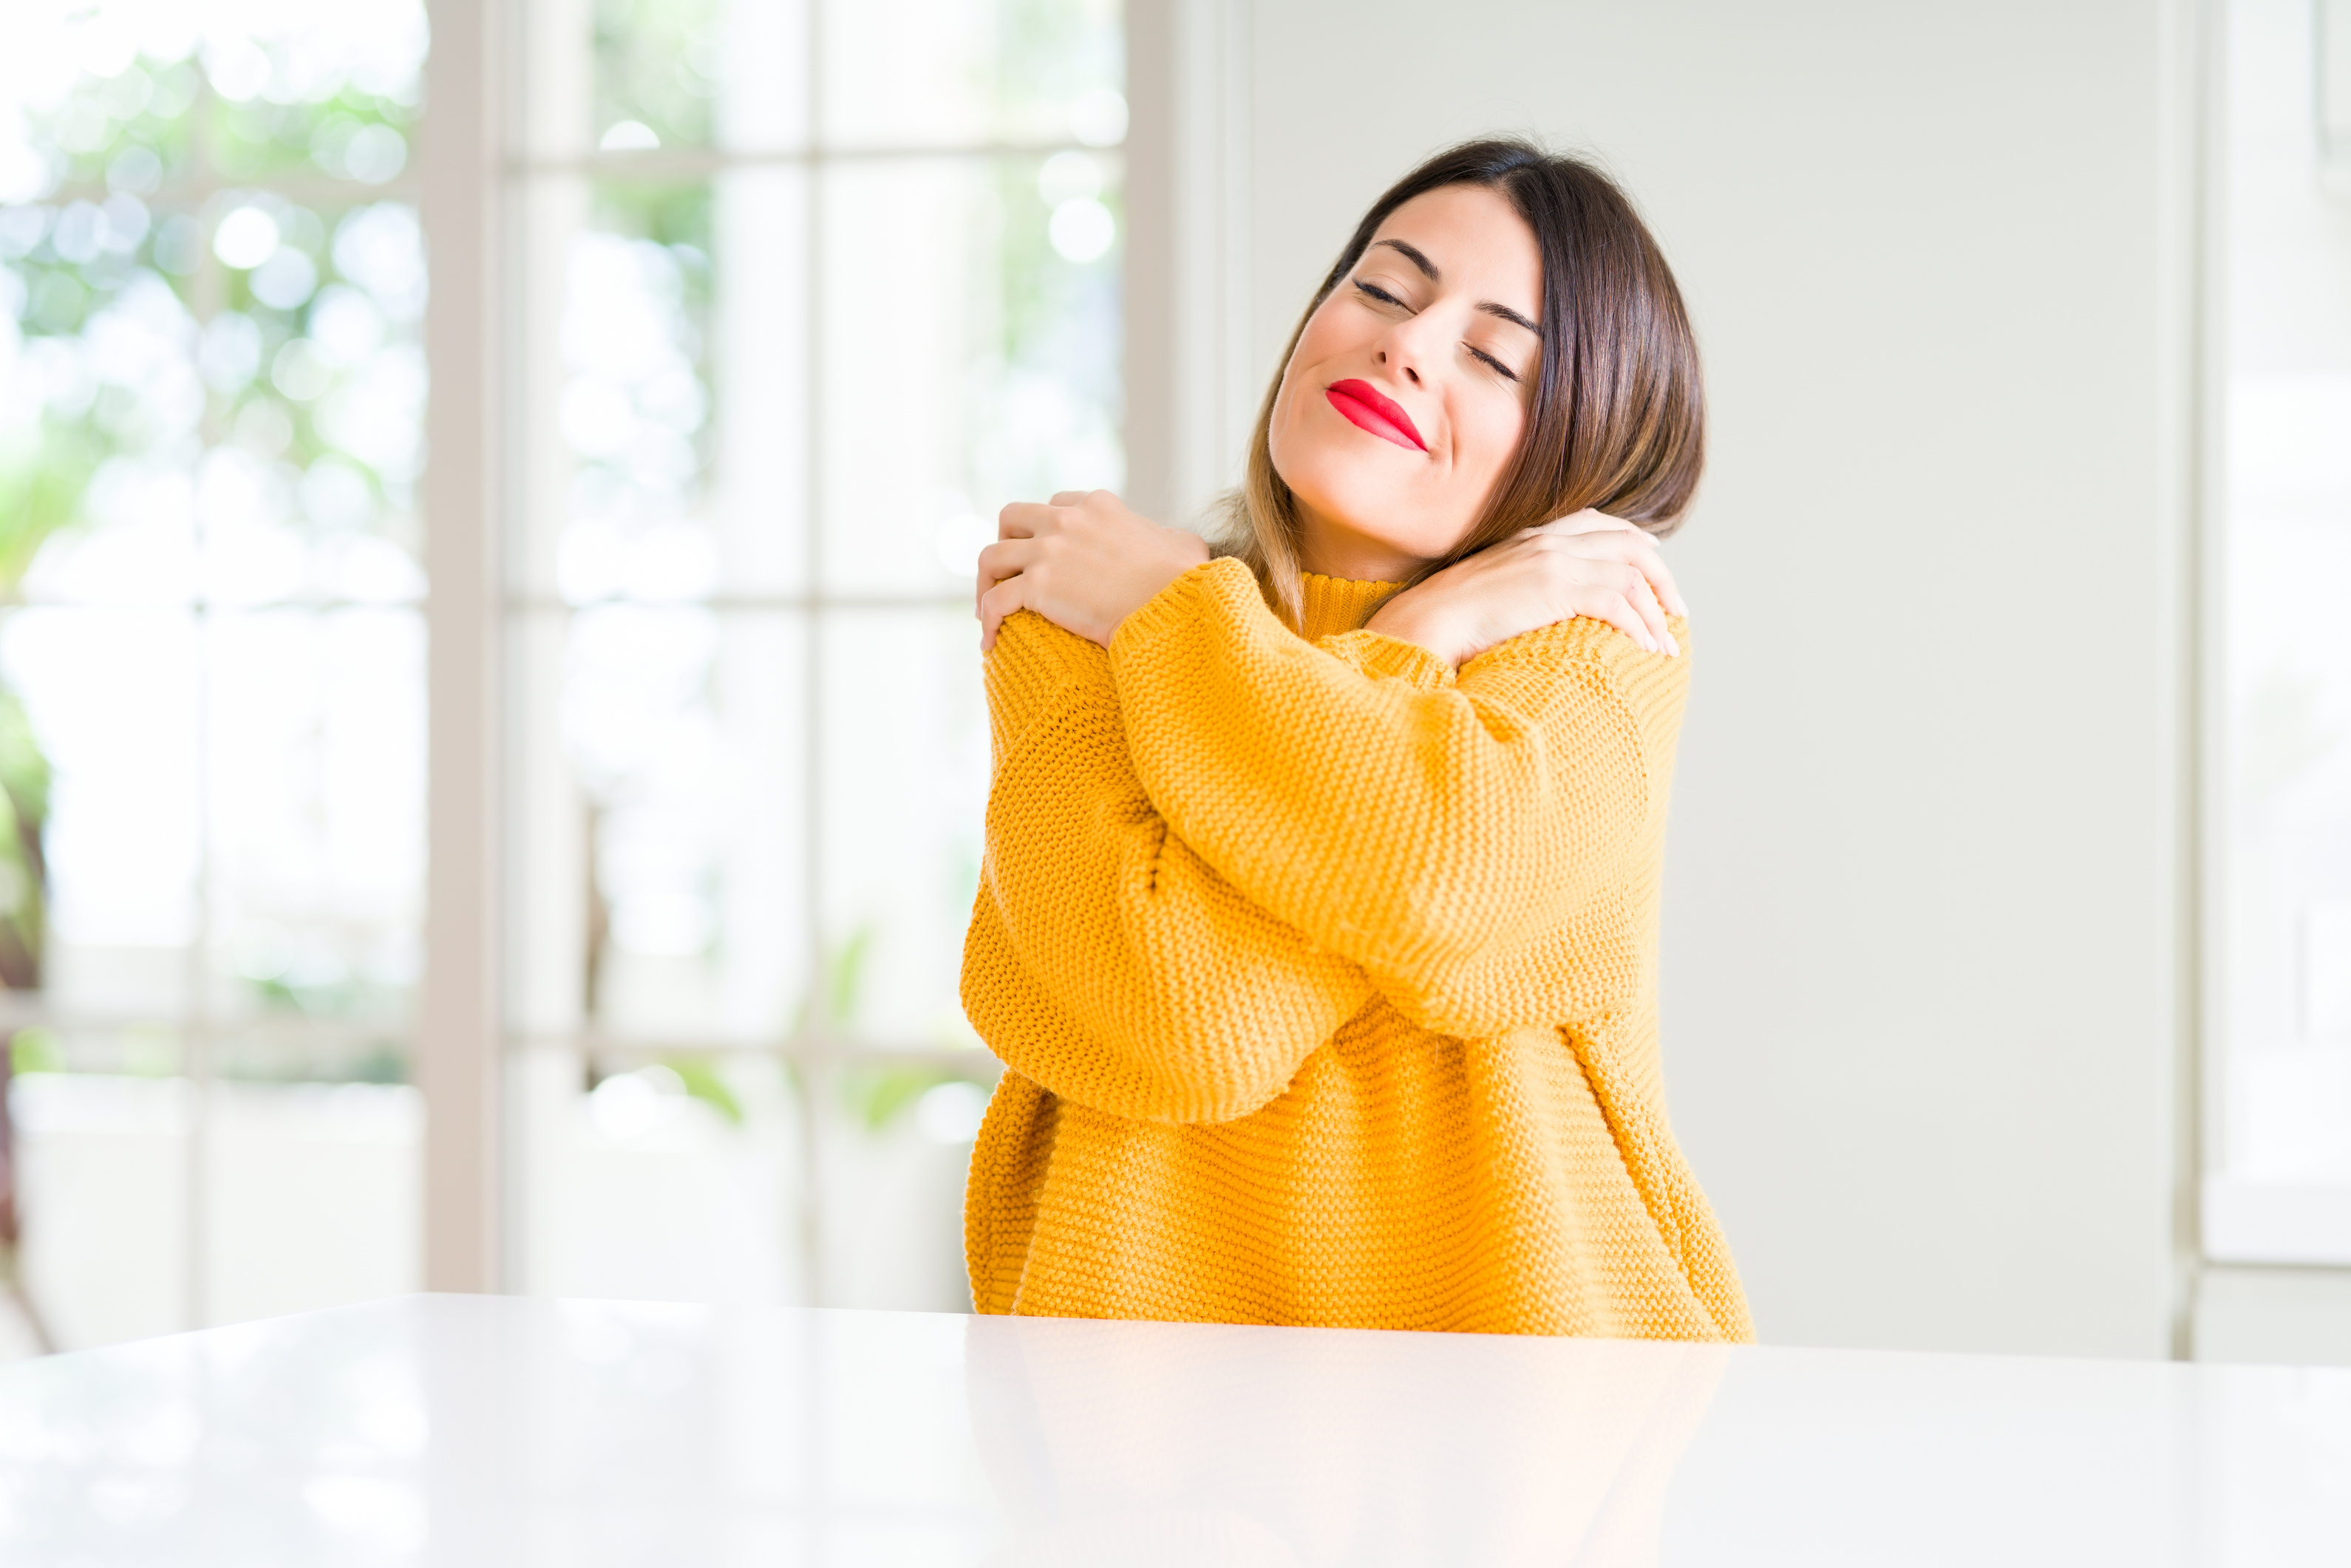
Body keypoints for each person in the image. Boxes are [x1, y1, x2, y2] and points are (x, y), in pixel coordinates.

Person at [959, 137, 1749, 1341]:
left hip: (1540, 1412)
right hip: (1124, 1408)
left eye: (1494, 356)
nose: (1406, 344)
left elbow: (1440, 871)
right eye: (1381, 287)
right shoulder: (1078, 621)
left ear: (1580, 440)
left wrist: (1195, 620)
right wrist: (1406, 642)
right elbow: (1185, 1022)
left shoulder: (1595, 641)